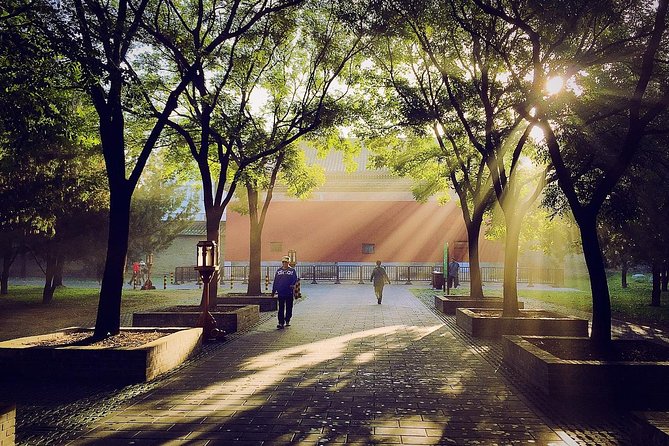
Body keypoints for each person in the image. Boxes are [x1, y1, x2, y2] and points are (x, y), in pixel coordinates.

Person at [272, 255, 299, 329]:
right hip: (281, 292)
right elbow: (276, 281)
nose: (284, 263)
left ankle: (287, 320)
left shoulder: (292, 271)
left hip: (289, 292)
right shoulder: (279, 271)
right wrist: (273, 291)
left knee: (289, 307)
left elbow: (295, 279)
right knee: (281, 308)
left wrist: (292, 285)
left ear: (288, 262)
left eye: (286, 262)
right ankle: (280, 322)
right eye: (283, 262)